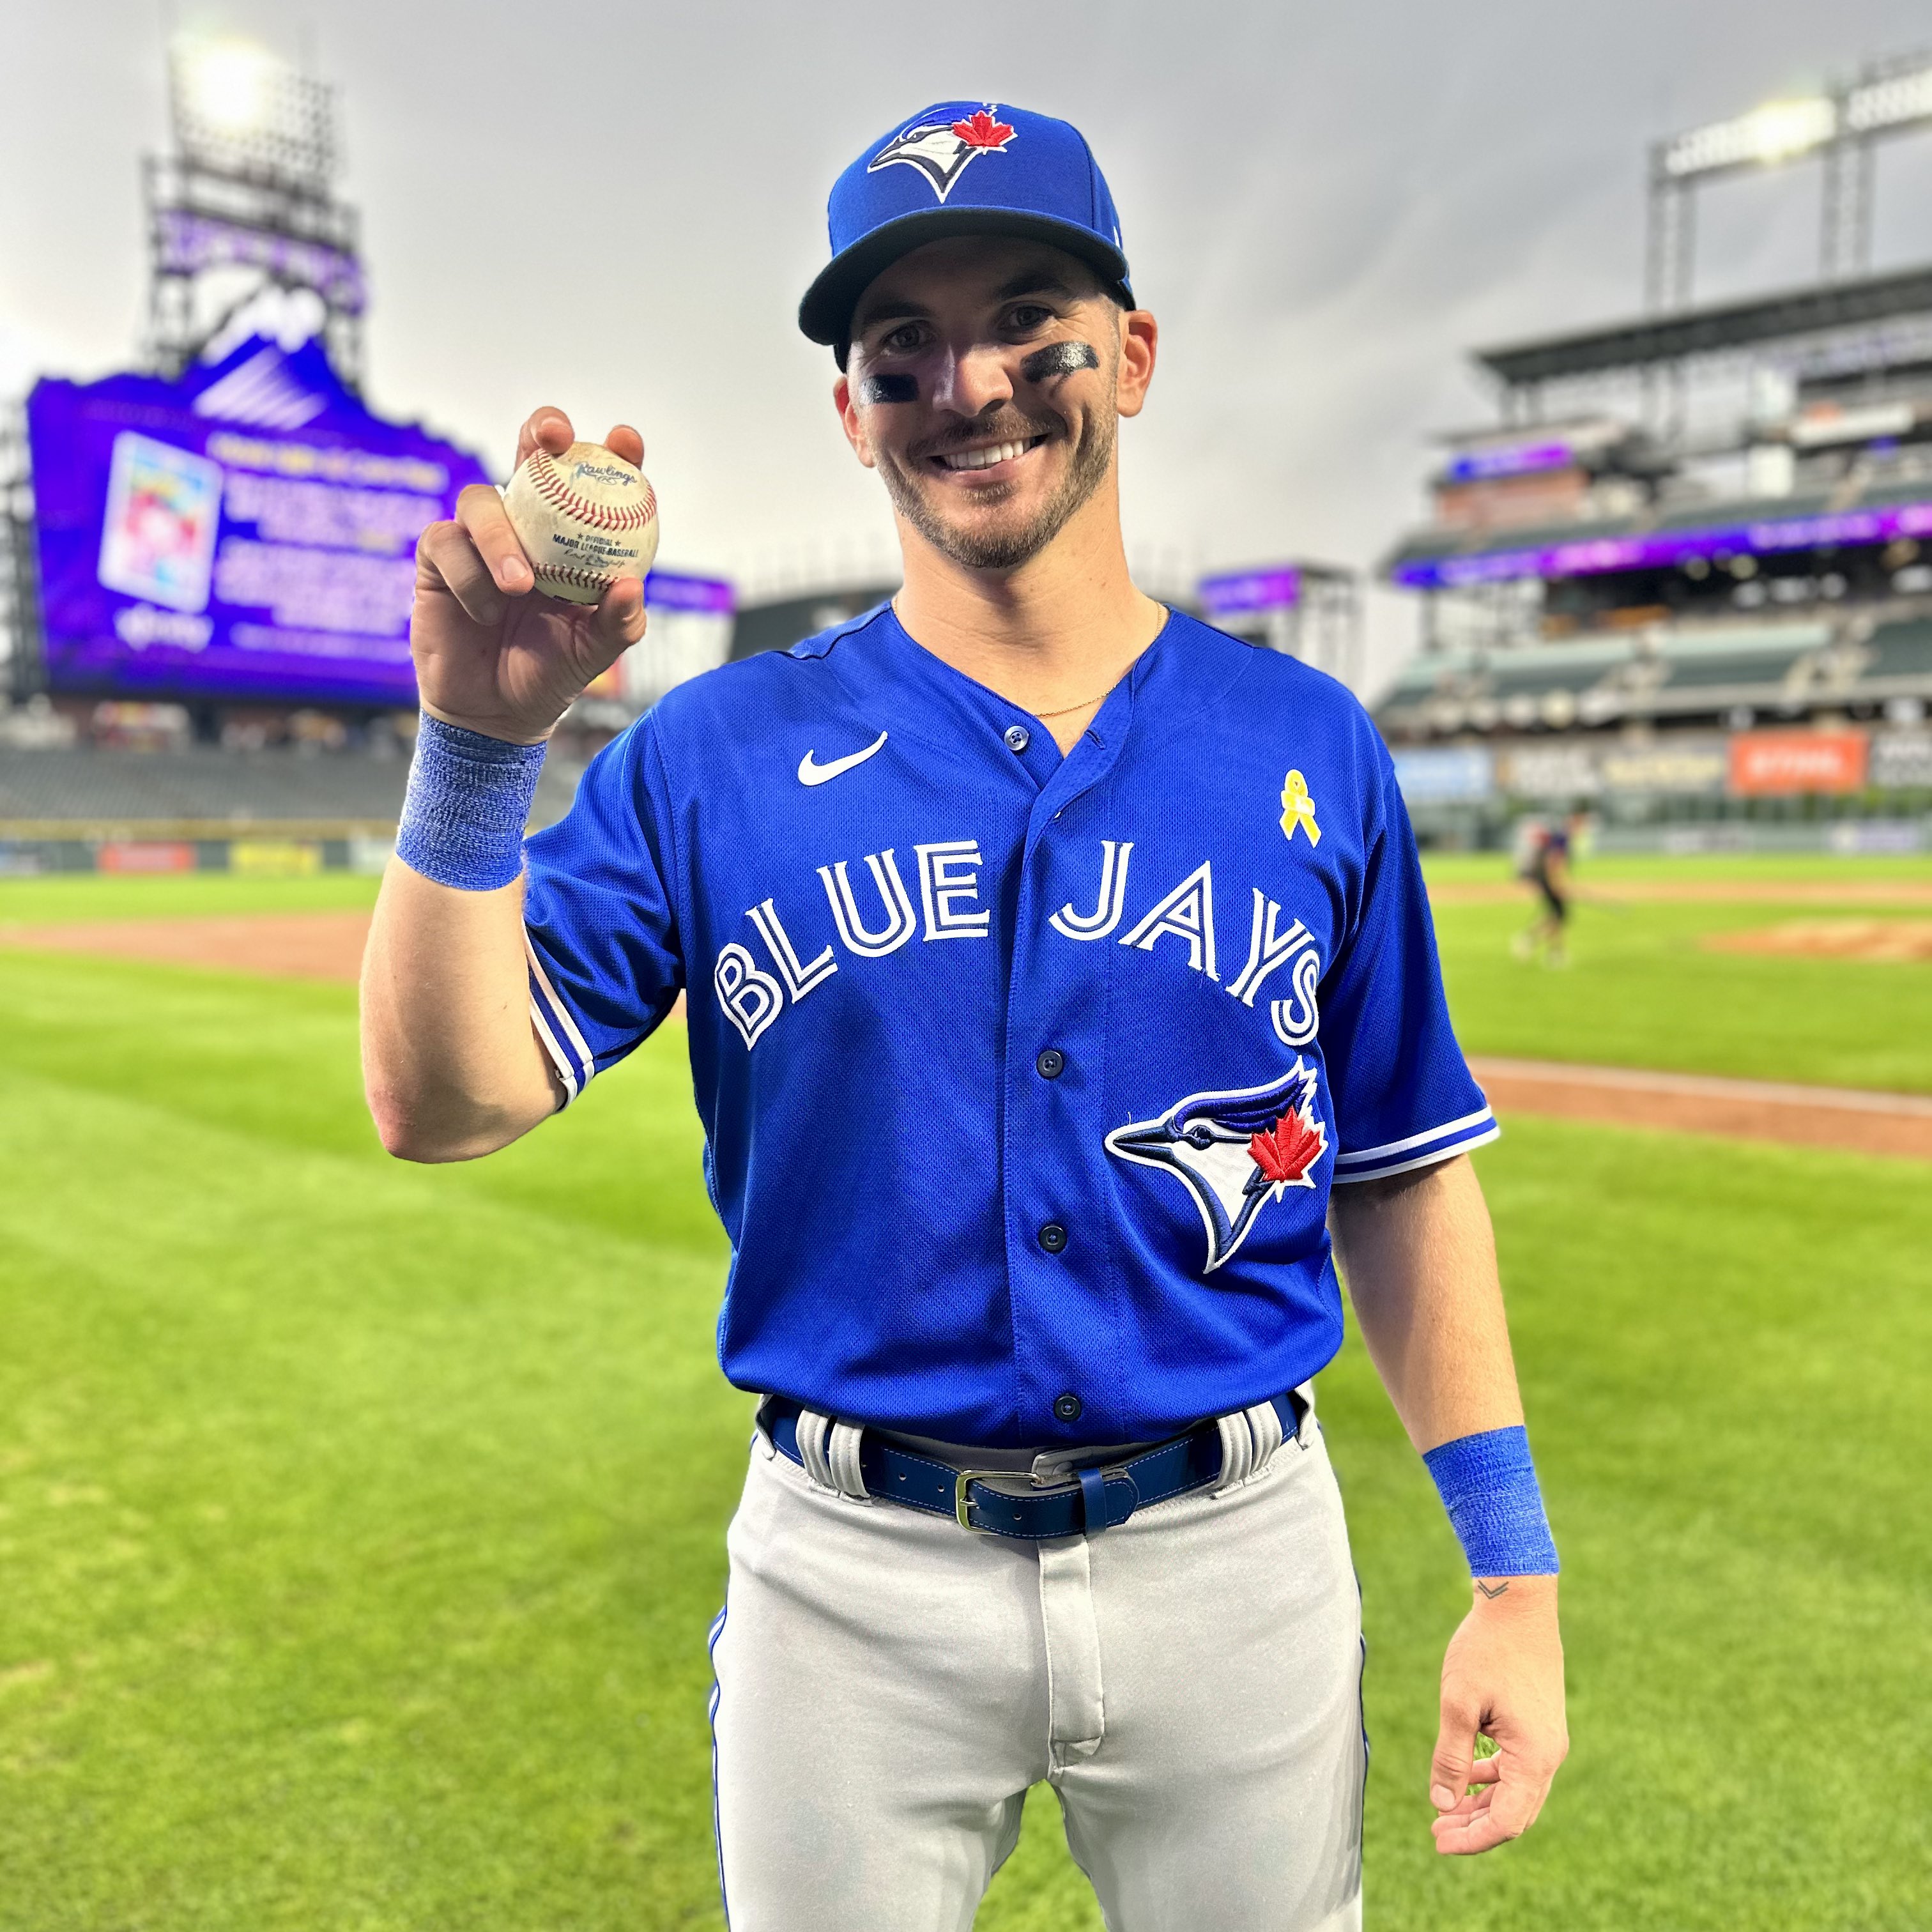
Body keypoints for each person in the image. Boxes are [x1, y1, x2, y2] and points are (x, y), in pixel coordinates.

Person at [360, 100, 1567, 1932]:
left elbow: (1398, 1171)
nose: (970, 382)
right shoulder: (715, 753)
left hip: (1235, 1558)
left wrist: (1514, 1577)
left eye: (1027, 318)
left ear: (1132, 357)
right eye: (900, 347)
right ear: (851, 411)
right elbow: (443, 1104)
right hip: (850, 1580)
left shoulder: (1309, 746)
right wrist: (477, 749)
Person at [1515, 810, 1586, 965]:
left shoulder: (1562, 837)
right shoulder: (1563, 839)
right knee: (1557, 916)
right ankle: (1541, 947)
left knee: (1556, 916)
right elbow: (1553, 861)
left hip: (1548, 880)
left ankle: (1549, 950)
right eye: (1581, 825)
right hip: (1549, 881)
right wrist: (1556, 883)